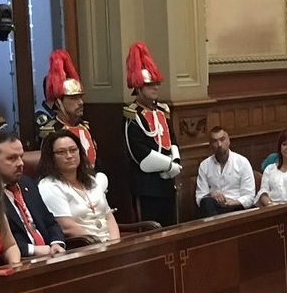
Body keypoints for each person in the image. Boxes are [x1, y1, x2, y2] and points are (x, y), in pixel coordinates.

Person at [0, 130, 67, 258]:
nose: (20, 163)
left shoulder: (27, 183)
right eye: (12, 158)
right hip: (21, 262)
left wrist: (56, 243)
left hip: (49, 257)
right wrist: (33, 250)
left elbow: (49, 221)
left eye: (21, 157)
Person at [124, 42, 182, 226]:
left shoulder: (163, 111)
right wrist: (167, 165)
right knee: (150, 230)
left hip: (167, 183)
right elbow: (138, 151)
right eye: (150, 85)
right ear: (138, 88)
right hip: (146, 185)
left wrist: (175, 162)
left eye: (156, 83)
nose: (155, 88)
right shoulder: (132, 115)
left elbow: (171, 138)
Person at [38, 130, 121, 243]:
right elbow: (67, 227)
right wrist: (99, 244)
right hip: (82, 246)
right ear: (51, 157)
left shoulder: (91, 180)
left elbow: (108, 216)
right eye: (61, 152)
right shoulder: (49, 186)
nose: (69, 156)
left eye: (73, 150)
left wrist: (115, 243)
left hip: (107, 244)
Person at [36, 50, 98, 165]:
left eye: (80, 97)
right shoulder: (51, 132)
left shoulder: (85, 127)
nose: (80, 103)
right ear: (59, 103)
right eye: (74, 98)